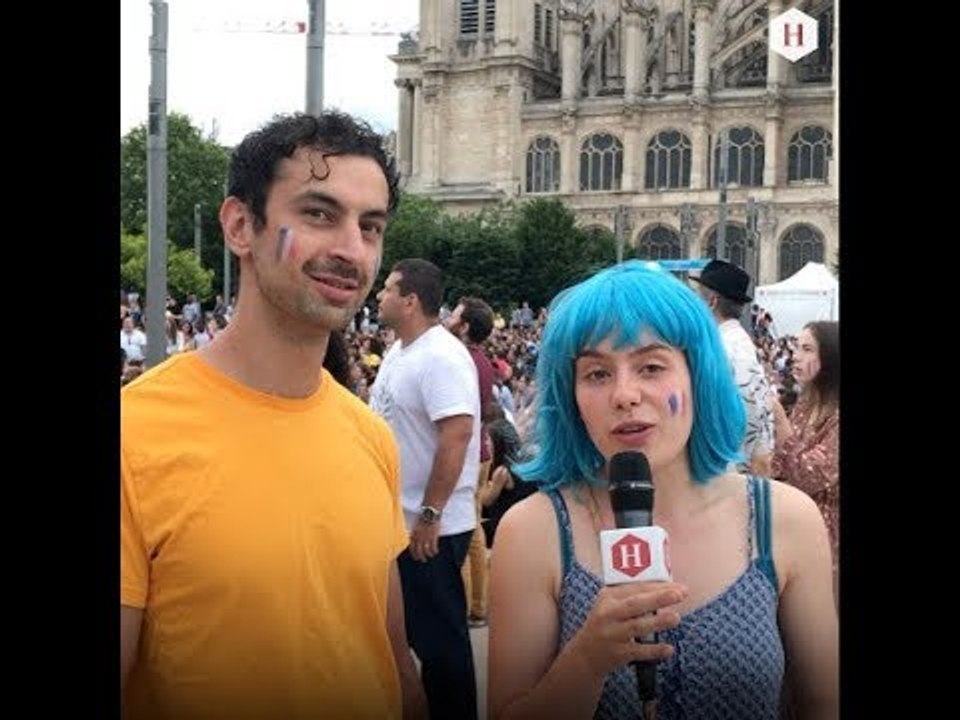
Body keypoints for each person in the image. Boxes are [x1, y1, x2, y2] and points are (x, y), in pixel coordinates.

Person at [121, 111, 426, 720]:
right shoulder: (135, 435)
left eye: (370, 226)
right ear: (240, 226)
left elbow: (392, 661)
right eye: (319, 214)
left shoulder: (370, 435)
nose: (352, 249)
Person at [487, 261, 838, 720]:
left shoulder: (786, 520)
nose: (624, 394)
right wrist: (586, 663)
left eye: (651, 367)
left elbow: (822, 703)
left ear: (699, 376)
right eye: (597, 374)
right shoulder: (533, 531)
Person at [370, 258, 481, 720]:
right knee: (416, 637)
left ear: (410, 301)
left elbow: (457, 434)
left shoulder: (440, 356)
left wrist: (430, 515)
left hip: (431, 526)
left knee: (440, 647)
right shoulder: (401, 351)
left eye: (388, 289)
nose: (379, 296)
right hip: (402, 520)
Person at [771, 321, 840, 596]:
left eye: (807, 349)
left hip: (828, 542)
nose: (795, 356)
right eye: (796, 347)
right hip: (798, 528)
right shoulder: (805, 404)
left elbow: (808, 476)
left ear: (830, 357)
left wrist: (780, 424)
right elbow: (780, 466)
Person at [691, 259, 775, 476]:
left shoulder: (724, 350)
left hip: (725, 471)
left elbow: (749, 414)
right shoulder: (738, 344)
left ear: (712, 302)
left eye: (697, 297)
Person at [445, 295, 498, 628]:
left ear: (464, 327)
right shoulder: (482, 361)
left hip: (466, 454)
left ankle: (463, 607)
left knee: (460, 527)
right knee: (474, 525)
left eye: (454, 315)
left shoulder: (460, 361)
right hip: (481, 451)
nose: (448, 319)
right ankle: (479, 604)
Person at [479, 418, 537, 549]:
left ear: (498, 443)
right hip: (521, 523)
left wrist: (478, 482)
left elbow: (486, 501)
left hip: (503, 526)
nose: (485, 444)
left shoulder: (501, 472)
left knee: (472, 533)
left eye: (487, 440)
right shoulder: (521, 463)